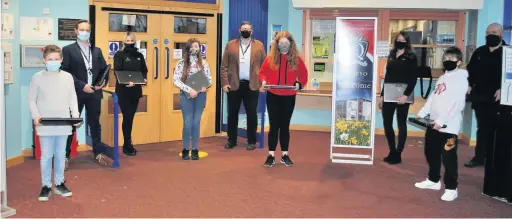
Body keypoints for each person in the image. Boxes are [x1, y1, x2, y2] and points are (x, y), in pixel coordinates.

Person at [414, 46, 468, 202]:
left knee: (448, 157)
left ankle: (452, 188)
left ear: (459, 62)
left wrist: (442, 121)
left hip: (448, 127)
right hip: (433, 123)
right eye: (446, 58)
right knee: (431, 152)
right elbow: (433, 97)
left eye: (451, 59)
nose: (447, 61)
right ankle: (433, 180)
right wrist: (423, 112)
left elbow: (457, 104)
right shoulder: (444, 77)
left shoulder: (460, 78)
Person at [28, 45, 80, 201]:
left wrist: (75, 116)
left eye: (56, 59)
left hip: (63, 122)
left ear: (61, 60)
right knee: (46, 155)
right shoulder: (37, 77)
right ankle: (45, 185)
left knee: (60, 154)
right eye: (50, 59)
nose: (53, 62)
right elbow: (31, 99)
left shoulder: (67, 77)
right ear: (44, 60)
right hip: (45, 123)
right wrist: (36, 115)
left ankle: (59, 183)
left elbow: (72, 98)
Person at [62, 19, 110, 167]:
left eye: (87, 30)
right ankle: (65, 156)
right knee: (71, 124)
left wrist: (102, 83)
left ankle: (98, 153)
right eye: (81, 30)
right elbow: (65, 71)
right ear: (76, 31)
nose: (84, 33)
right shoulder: (68, 50)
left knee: (95, 124)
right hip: (77, 93)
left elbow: (104, 70)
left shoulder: (96, 50)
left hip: (94, 94)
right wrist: (82, 85)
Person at [259, 31, 308, 167]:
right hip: (273, 96)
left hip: (289, 97)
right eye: (281, 43)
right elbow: (262, 73)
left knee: (285, 126)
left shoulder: (297, 60)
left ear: (290, 44)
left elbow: (304, 76)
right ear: (277, 44)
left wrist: (299, 84)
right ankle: (271, 155)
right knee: (274, 126)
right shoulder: (270, 59)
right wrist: (263, 81)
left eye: (286, 43)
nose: (283, 46)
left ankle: (285, 155)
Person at [465, 23, 508, 168]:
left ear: (501, 34)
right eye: (488, 32)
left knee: (497, 129)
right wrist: (469, 84)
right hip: (480, 97)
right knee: (482, 128)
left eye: (494, 32)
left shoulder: (508, 52)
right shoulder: (480, 52)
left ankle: (495, 159)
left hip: (499, 98)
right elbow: (470, 71)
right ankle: (479, 158)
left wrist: (503, 88)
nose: (490, 34)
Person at [221, 21, 266, 150]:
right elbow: (224, 66)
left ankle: (251, 141)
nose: (245, 31)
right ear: (239, 30)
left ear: (252, 31)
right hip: (234, 85)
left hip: (252, 85)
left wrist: (263, 82)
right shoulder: (230, 45)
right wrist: (224, 83)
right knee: (232, 113)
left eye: (248, 29)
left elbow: (264, 66)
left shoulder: (259, 46)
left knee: (252, 113)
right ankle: (231, 140)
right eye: (243, 29)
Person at [378, 31, 418, 165]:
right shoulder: (391, 55)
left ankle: (398, 153)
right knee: (387, 123)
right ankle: (392, 151)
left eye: (403, 40)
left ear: (407, 42)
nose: (400, 42)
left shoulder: (411, 57)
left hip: (403, 95)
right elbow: (387, 76)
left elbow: (413, 78)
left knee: (401, 123)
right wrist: (382, 96)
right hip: (389, 93)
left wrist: (406, 95)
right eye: (398, 39)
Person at [173, 38, 212, 160]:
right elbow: (175, 80)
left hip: (200, 96)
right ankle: (185, 148)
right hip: (186, 96)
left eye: (197, 46)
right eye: (193, 46)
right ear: (188, 48)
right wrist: (189, 89)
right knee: (187, 123)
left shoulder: (204, 63)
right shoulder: (180, 63)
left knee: (196, 123)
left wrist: (204, 87)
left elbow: (209, 79)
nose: (195, 48)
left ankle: (195, 148)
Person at [113, 32, 148, 156]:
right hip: (123, 91)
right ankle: (127, 144)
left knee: (130, 118)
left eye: (131, 40)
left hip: (135, 91)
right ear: (124, 42)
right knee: (127, 117)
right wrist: (127, 81)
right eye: (127, 40)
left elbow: (144, 70)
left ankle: (128, 142)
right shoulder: (119, 55)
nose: (129, 42)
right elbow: (117, 71)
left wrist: (143, 78)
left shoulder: (139, 55)